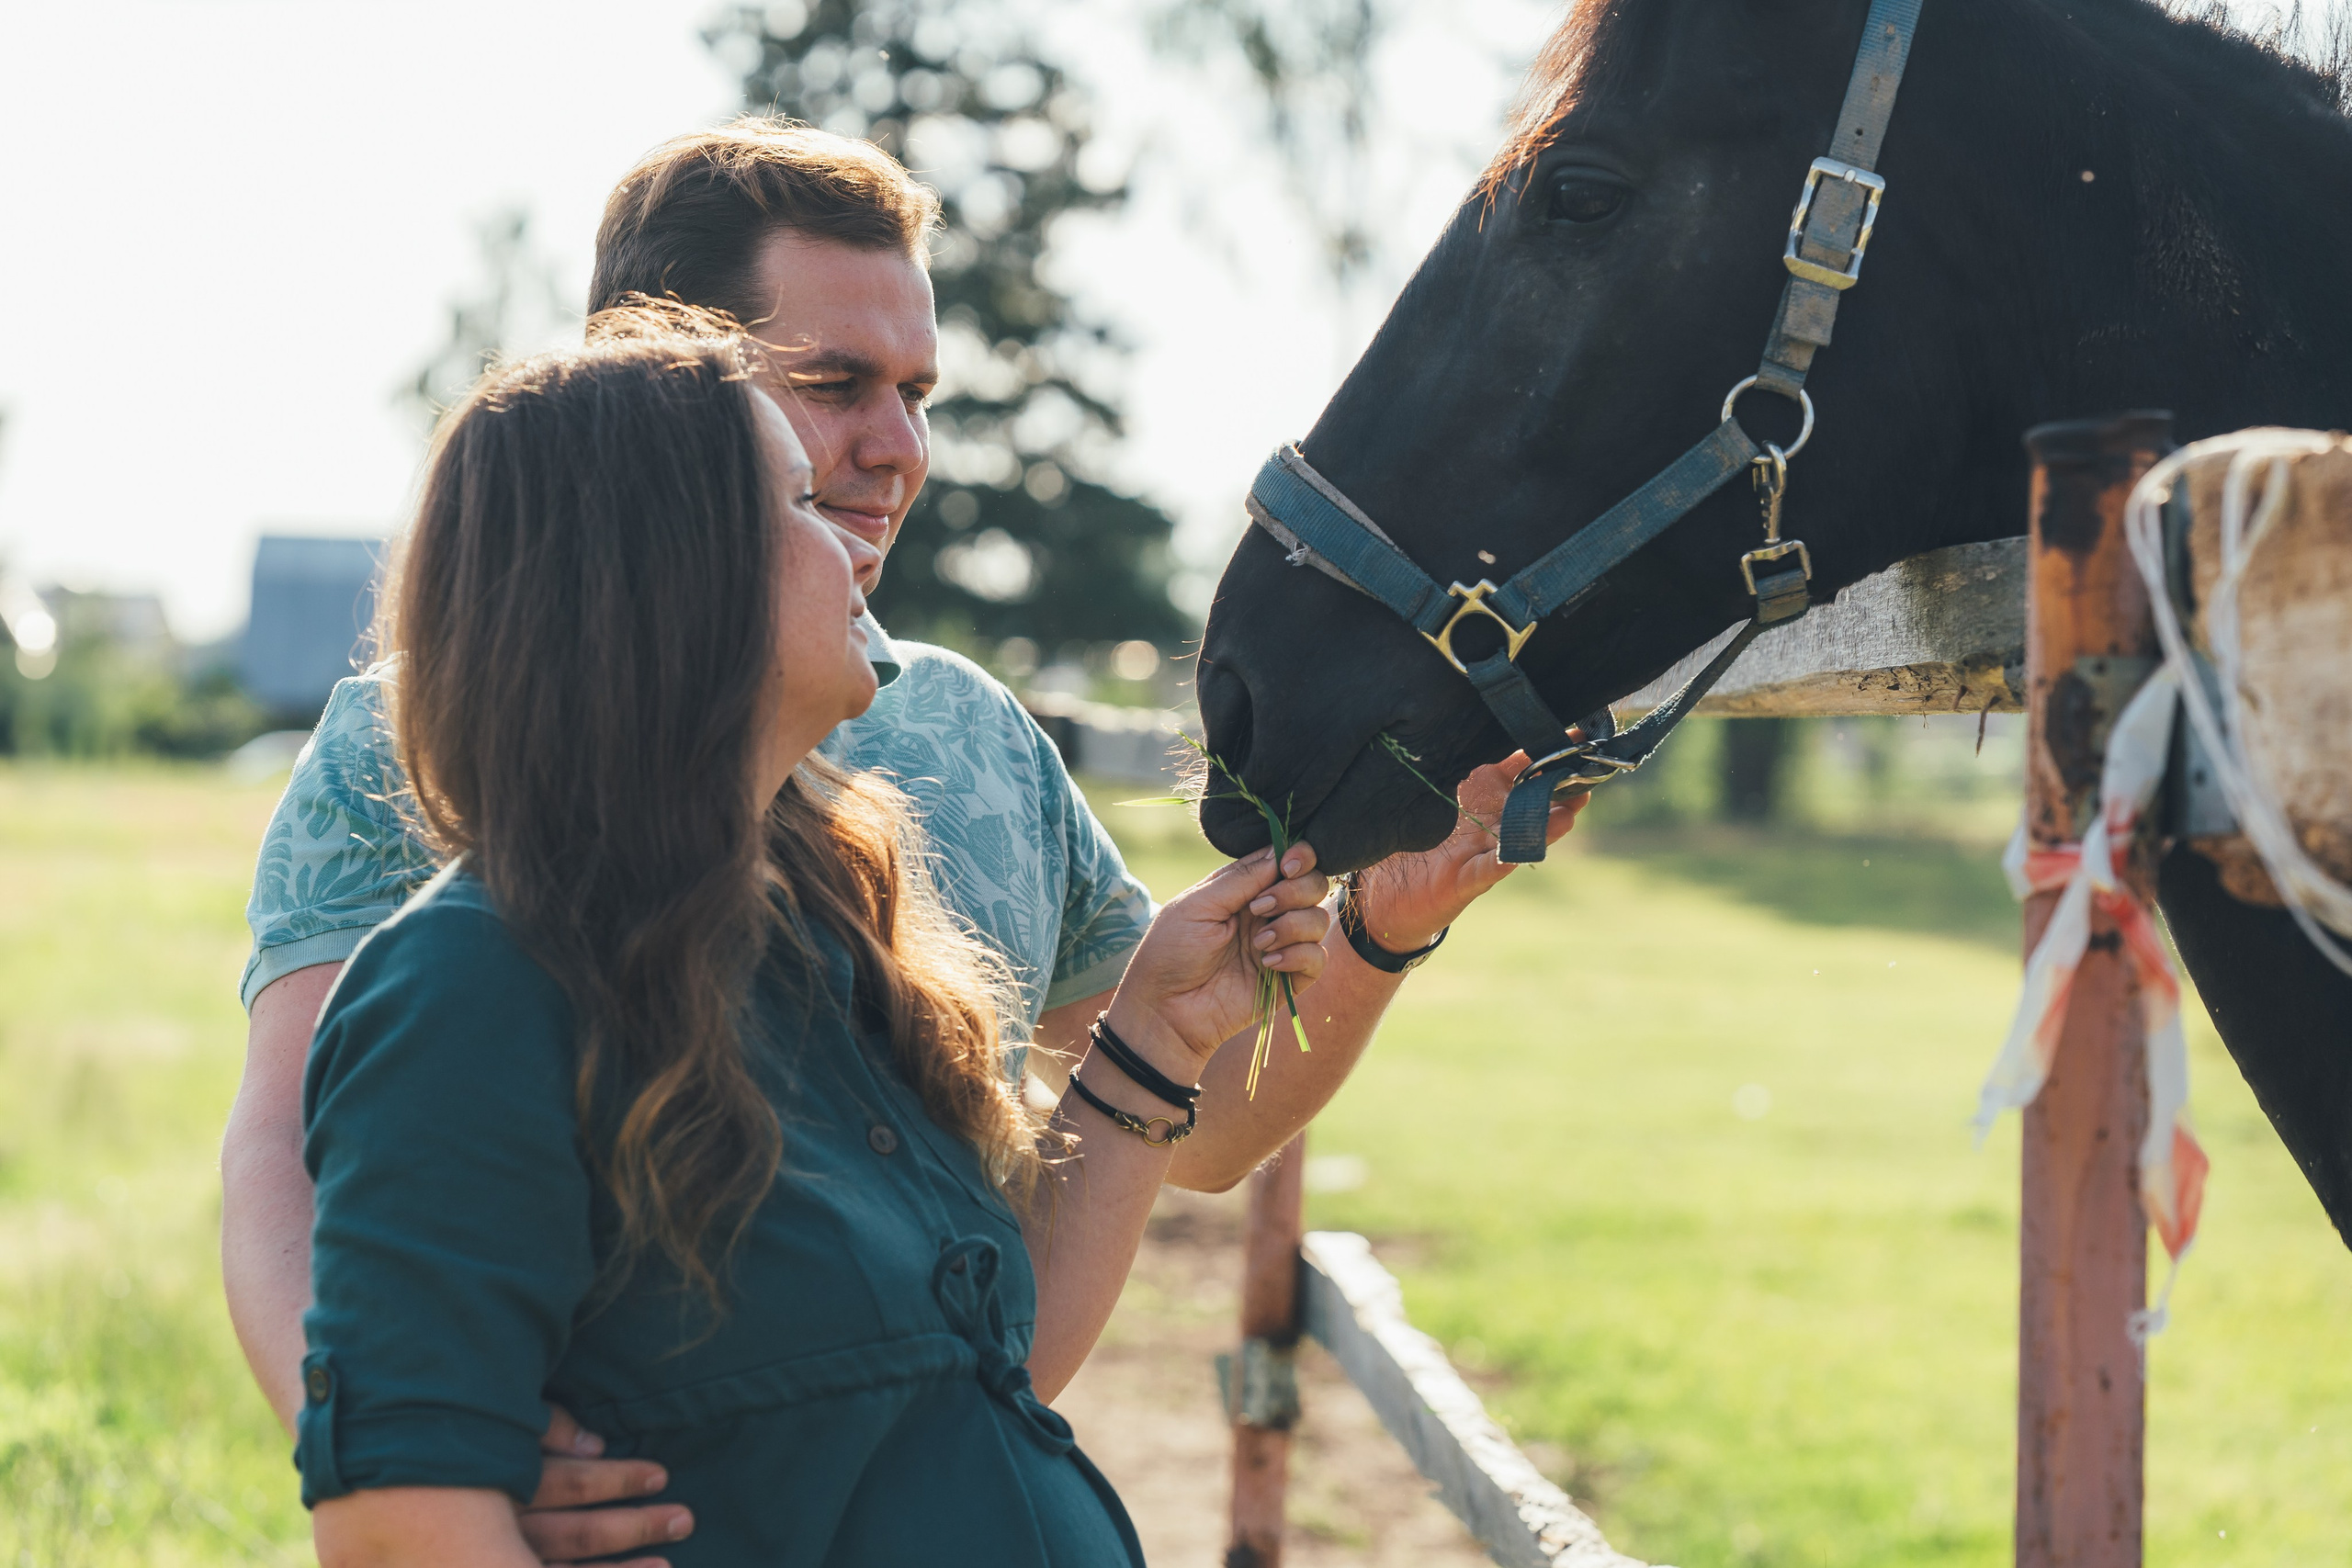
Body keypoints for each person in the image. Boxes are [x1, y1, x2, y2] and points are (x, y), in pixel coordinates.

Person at [223, 118, 1581, 1564]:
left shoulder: (955, 754)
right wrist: (442, 1454)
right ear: (655, 392)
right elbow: (313, 1165)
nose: (898, 452)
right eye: (833, 389)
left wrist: (1377, 931)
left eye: (920, 392)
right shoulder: (420, 759)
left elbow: (1186, 1142)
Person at [299, 308, 1334, 1565]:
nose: (852, 542)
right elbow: (397, 1527)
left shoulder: (819, 936)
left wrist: (1157, 1035)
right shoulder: (472, 985)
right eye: (796, 503)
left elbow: (980, 1369)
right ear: (669, 576)